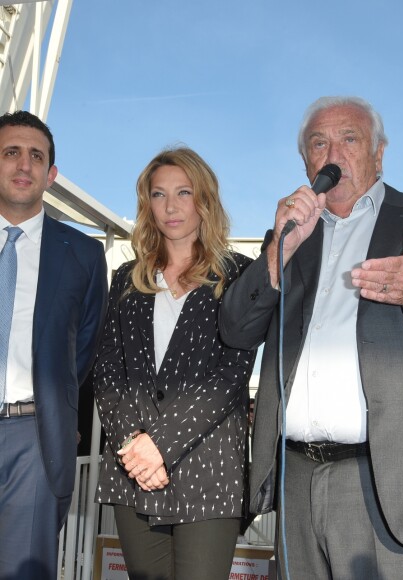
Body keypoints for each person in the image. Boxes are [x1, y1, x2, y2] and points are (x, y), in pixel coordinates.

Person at [218, 96, 403, 579]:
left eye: (349, 139)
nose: (332, 152)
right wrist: (278, 254)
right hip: (295, 480)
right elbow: (234, 331)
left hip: (395, 484)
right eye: (319, 142)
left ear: (379, 154)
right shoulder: (293, 234)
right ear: (306, 161)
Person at [94, 147, 255, 580]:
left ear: (205, 200)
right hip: (134, 471)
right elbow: (109, 373)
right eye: (159, 194)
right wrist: (137, 450)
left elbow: (232, 373)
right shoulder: (126, 279)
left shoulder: (239, 274)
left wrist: (159, 444)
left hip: (210, 468)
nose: (171, 206)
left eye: (184, 192)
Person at [0, 110, 108, 579]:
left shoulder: (83, 253)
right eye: (10, 152)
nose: (24, 164)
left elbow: (82, 347)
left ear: (51, 173)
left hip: (34, 438)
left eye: (36, 156)